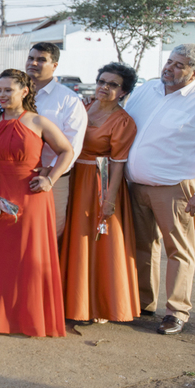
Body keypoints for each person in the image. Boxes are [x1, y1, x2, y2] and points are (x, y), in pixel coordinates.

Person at [124, 44, 195, 335]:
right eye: (169, 61)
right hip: (135, 185)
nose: (169, 68)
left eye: (178, 65)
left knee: (179, 251)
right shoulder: (147, 90)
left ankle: (177, 312)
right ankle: (142, 302)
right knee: (142, 246)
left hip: (175, 189)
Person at [0, 69, 75, 337]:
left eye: (9, 90)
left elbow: (67, 151)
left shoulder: (39, 122)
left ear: (24, 92)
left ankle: (28, 316)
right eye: (0, 91)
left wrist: (50, 179)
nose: (3, 95)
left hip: (31, 195)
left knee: (28, 256)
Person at [58, 62, 140, 324]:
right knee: (67, 235)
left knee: (94, 241)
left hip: (98, 182)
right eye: (102, 81)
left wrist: (110, 199)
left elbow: (118, 163)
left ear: (123, 92)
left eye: (113, 84)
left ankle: (94, 304)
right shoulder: (82, 107)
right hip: (71, 178)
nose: (105, 87)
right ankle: (64, 298)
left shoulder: (123, 121)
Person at [26, 43, 87, 235]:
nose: (34, 63)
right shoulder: (11, 93)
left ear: (55, 65)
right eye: (31, 58)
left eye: (41, 59)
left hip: (52, 178)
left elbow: (73, 144)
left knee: (49, 234)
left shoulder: (69, 100)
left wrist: (50, 172)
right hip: (13, 174)